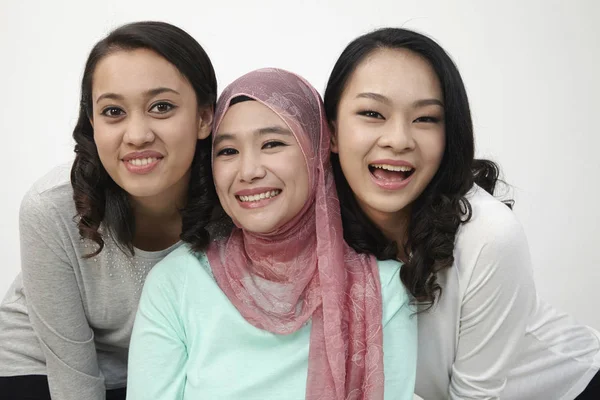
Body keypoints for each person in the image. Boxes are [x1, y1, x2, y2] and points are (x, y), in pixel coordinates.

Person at [323, 27, 600, 400]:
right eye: (373, 113)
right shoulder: (321, 226)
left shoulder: (487, 234)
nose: (399, 139)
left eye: (426, 119)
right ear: (332, 132)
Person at [126, 68, 417, 400]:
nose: (249, 171)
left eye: (272, 143)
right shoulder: (176, 283)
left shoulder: (384, 288)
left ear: (317, 152)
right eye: (228, 151)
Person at [0, 21, 218, 400]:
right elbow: (73, 381)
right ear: (91, 122)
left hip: (156, 375)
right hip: (40, 369)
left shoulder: (237, 200)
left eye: (161, 107)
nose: (136, 135)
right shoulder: (50, 210)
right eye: (113, 111)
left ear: (203, 118)